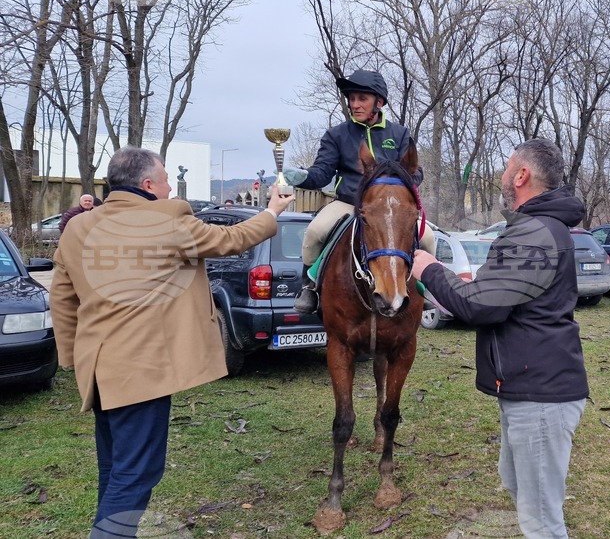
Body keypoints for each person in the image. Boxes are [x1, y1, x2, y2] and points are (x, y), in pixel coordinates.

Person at [48, 147, 295, 538]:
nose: (168, 187)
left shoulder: (78, 226)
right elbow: (232, 238)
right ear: (147, 184)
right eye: (164, 179)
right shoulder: (165, 218)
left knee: (115, 469)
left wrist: (70, 359)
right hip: (140, 373)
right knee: (135, 475)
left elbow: (62, 297)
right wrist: (272, 211)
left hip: (99, 371)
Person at [412, 138, 589, 539]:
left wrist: (430, 269)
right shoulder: (535, 229)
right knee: (517, 487)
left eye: (507, 168)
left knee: (541, 520)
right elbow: (502, 297)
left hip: (541, 395)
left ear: (522, 175)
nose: (502, 176)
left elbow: (482, 308)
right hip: (525, 388)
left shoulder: (533, 232)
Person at [281, 68, 434, 314]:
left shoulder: (399, 134)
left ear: (379, 102)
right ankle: (309, 287)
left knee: (428, 238)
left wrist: (403, 180)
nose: (355, 104)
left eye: (362, 98)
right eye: (352, 99)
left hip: (387, 208)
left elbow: (415, 172)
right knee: (314, 231)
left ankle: (425, 286)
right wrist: (304, 177)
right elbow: (322, 173)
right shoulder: (337, 135)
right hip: (348, 203)